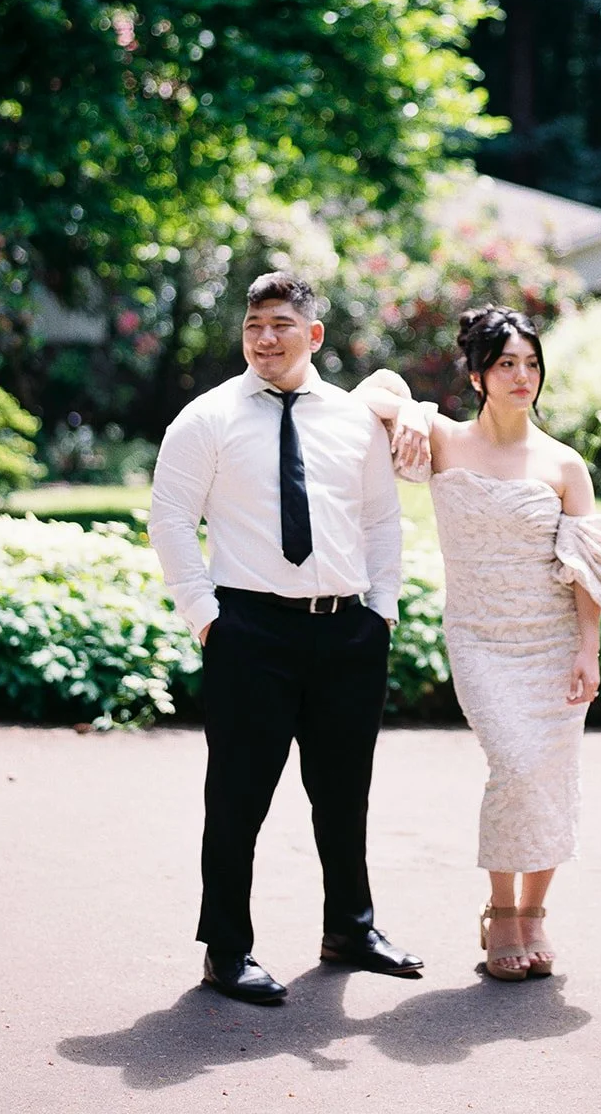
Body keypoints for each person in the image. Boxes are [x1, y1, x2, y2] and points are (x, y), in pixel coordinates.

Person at [149, 271, 425, 1005]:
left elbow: (380, 520)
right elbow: (170, 519)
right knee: (238, 798)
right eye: (253, 326)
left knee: (344, 795)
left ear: (314, 335)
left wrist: (383, 609)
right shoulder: (205, 419)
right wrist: (207, 618)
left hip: (347, 632)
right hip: (250, 632)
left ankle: (350, 929)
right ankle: (226, 950)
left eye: (279, 325)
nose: (265, 339)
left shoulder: (353, 420)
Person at [354, 306, 601, 982]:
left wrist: (587, 651)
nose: (522, 375)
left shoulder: (564, 464)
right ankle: (498, 908)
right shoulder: (444, 441)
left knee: (552, 774)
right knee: (514, 763)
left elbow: (585, 569)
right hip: (480, 639)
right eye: (506, 363)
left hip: (553, 640)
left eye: (531, 363)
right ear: (477, 374)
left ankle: (531, 916)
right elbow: (368, 396)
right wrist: (416, 412)